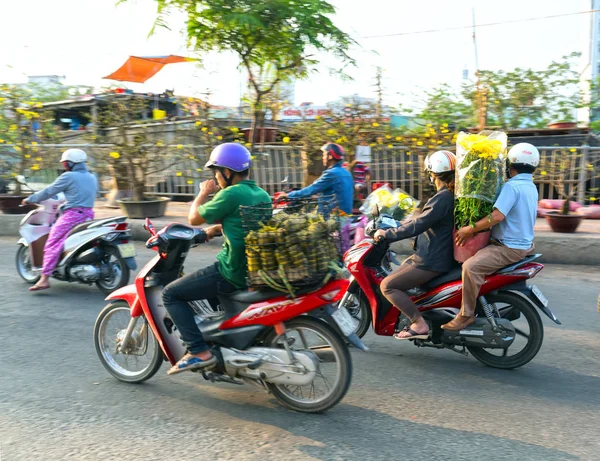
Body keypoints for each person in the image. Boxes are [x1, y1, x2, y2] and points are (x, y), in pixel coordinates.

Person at [163, 143, 272, 375]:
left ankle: (197, 351)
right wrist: (218, 229)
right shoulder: (262, 194)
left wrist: (203, 193)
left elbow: (193, 219)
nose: (215, 177)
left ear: (228, 172)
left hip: (231, 270)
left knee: (170, 294)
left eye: (216, 171)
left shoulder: (230, 193)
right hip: (253, 270)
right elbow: (247, 227)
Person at [442, 143, 539, 331]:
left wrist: (469, 229)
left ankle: (466, 315)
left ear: (510, 165)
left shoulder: (512, 187)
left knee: (471, 267)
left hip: (508, 247)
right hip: (522, 245)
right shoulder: (531, 187)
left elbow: (497, 216)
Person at [374, 151, 456, 339]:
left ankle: (418, 324)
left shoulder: (443, 197)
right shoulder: (449, 195)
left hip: (431, 260)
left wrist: (388, 234)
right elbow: (425, 221)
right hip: (436, 255)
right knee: (402, 270)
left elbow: (420, 224)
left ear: (433, 173)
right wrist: (402, 225)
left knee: (387, 285)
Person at [23, 149, 98, 292]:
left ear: (70, 164)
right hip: (89, 215)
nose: (64, 166)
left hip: (72, 216)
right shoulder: (91, 176)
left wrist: (30, 199)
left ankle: (44, 279)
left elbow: (49, 191)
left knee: (52, 243)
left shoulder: (68, 176)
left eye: (65, 163)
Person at [280, 143, 354, 215]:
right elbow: (337, 192)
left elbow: (311, 189)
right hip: (345, 215)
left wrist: (288, 195)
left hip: (332, 217)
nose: (323, 158)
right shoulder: (347, 173)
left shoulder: (331, 173)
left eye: (324, 155)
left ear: (330, 156)